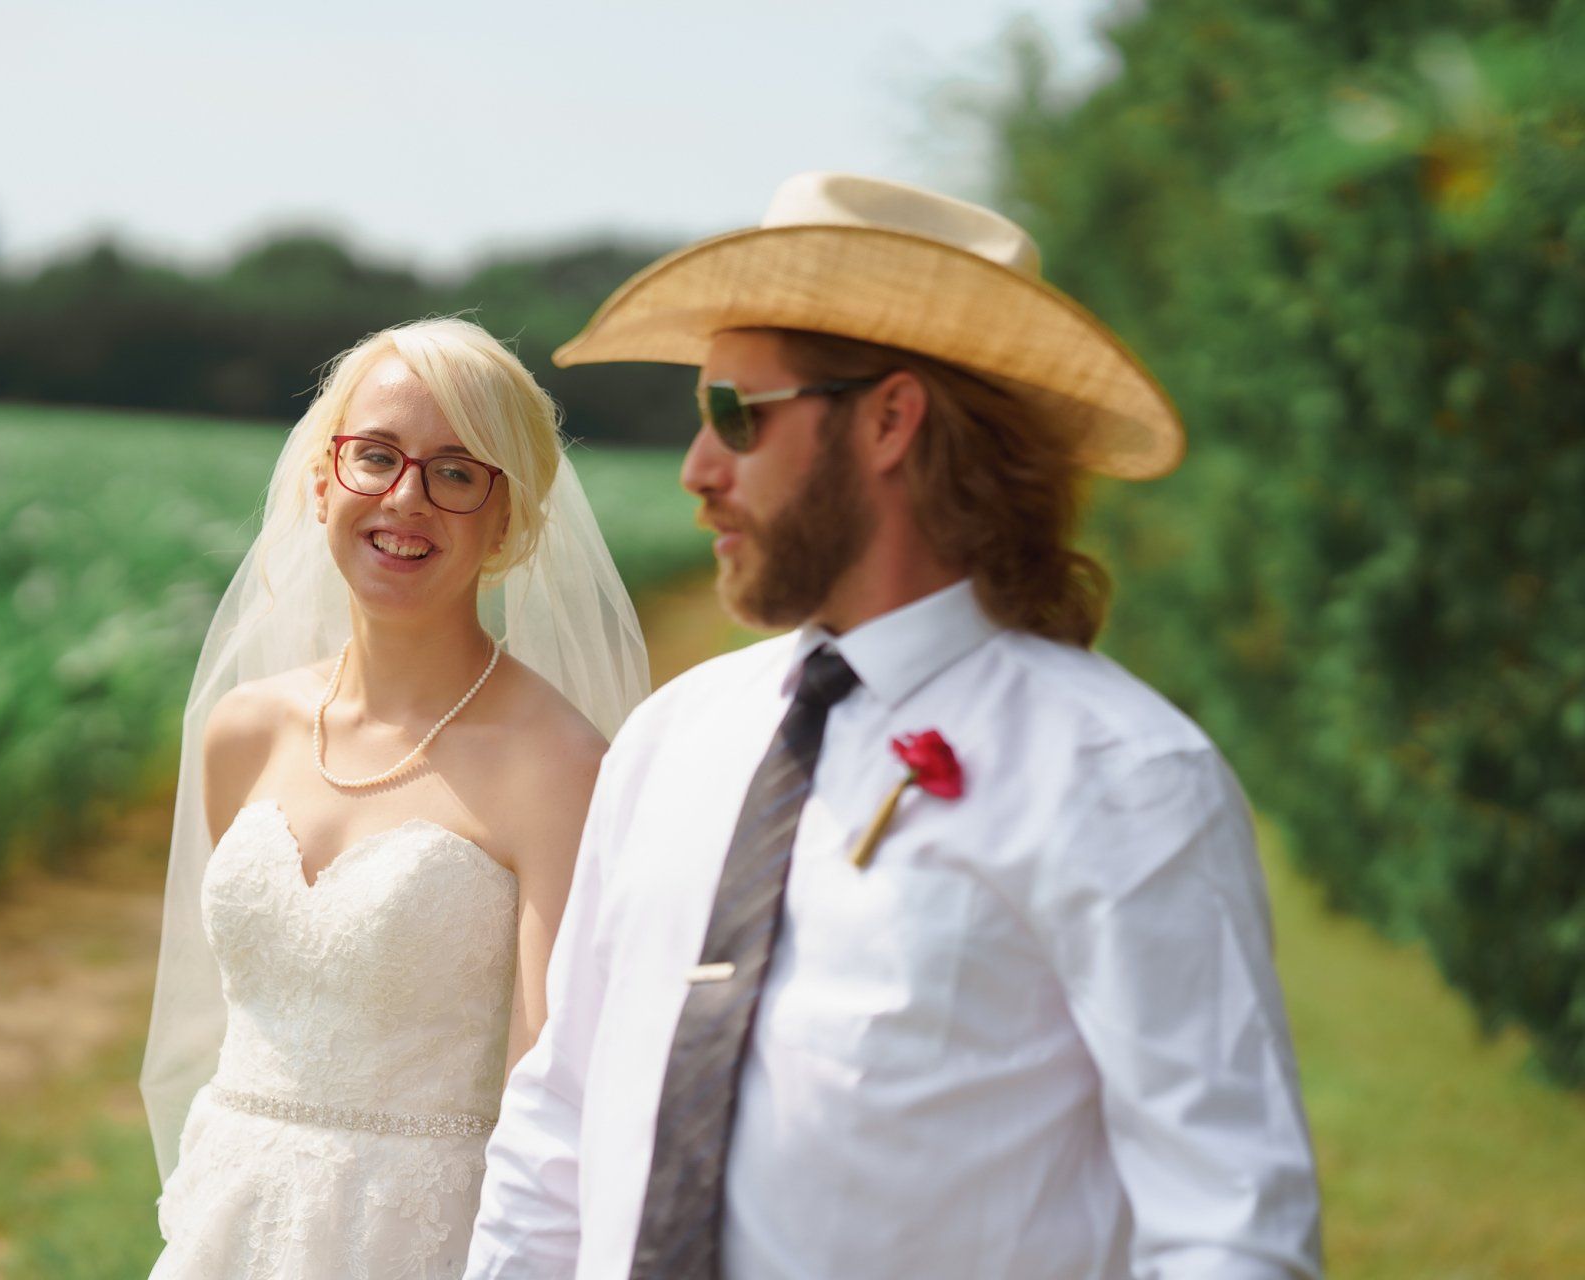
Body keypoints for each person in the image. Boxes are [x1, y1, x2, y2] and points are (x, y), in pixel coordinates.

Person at [465, 173, 1323, 1278]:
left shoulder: (1122, 774)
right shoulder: (670, 738)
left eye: (736, 413)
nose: (698, 470)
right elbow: (559, 1123)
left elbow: (1229, 1231)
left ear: (889, 418)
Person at [140, 317, 650, 1279]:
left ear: (510, 520)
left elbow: (555, 1091)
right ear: (323, 479)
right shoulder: (244, 731)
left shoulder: (557, 764)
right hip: (222, 1226)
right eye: (376, 456)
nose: (406, 498)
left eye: (458, 473)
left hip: (417, 1243)